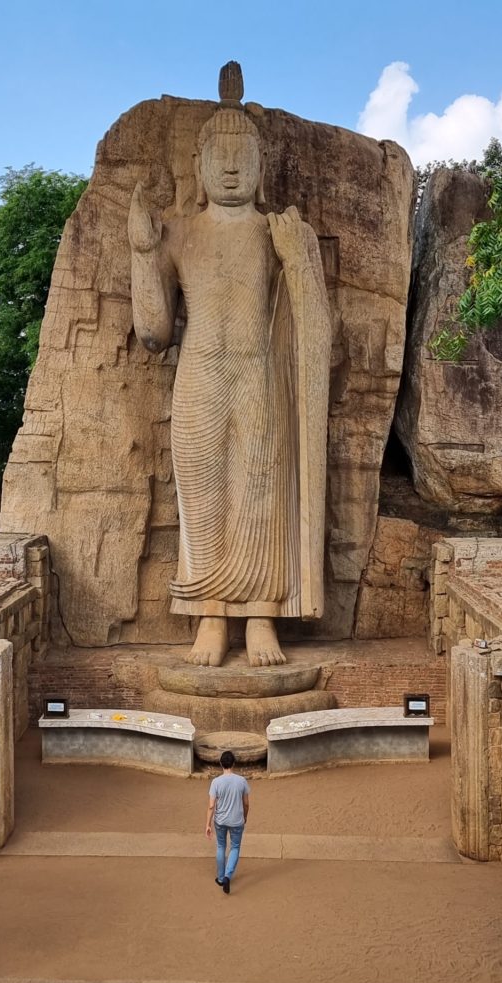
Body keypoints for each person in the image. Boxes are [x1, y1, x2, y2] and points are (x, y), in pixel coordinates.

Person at [128, 66, 331, 669]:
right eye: (222, 154)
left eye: (246, 153)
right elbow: (154, 332)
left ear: (262, 162)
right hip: (198, 380)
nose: (234, 167)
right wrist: (143, 252)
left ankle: (262, 617)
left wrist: (300, 261)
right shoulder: (180, 232)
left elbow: (315, 323)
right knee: (203, 500)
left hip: (260, 379)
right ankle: (211, 619)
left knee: (259, 497)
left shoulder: (277, 232)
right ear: (200, 162)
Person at [205, 750, 250, 894]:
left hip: (220, 820)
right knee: (235, 847)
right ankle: (227, 876)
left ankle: (220, 877)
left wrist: (208, 824)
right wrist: (245, 817)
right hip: (237, 820)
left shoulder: (216, 782)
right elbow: (246, 803)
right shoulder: (241, 781)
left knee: (221, 846)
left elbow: (211, 805)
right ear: (234, 764)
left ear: (221, 764)